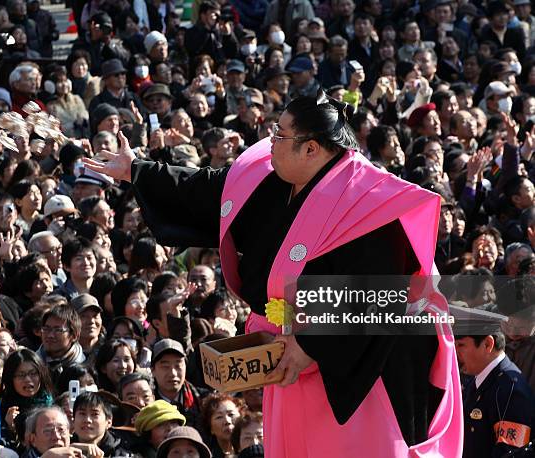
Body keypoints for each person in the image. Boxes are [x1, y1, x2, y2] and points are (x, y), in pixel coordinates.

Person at [84, 89, 463, 456]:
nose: (271, 142)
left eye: (280, 135)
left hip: (353, 373)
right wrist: (138, 170)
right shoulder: (271, 178)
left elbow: (379, 297)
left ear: (311, 148)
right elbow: (206, 189)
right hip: (282, 355)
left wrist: (310, 344)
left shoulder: (369, 203)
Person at [455, 322, 535, 457]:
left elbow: (512, 454)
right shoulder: (476, 380)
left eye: (461, 345)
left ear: (487, 344)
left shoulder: (510, 390)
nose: (455, 352)